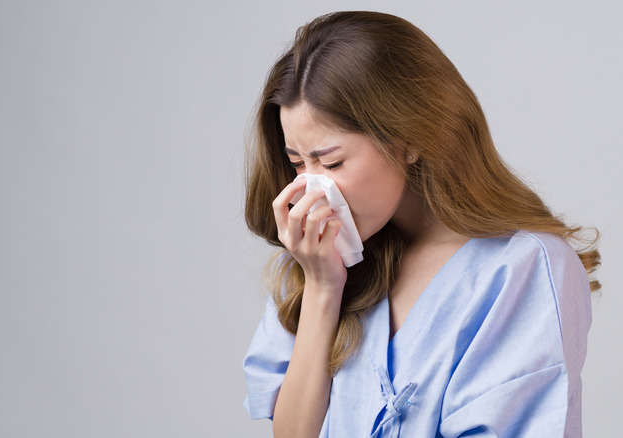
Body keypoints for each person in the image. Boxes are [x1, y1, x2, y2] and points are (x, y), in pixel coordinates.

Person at [241, 11, 600, 438]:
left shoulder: (522, 269)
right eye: (298, 163)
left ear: (408, 138)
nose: (312, 190)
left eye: (332, 161)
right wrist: (322, 288)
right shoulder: (316, 261)